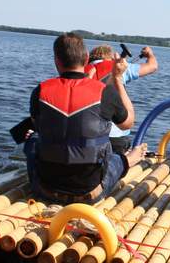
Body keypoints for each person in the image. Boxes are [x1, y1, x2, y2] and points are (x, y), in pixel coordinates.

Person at [23, 33, 146, 204]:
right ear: (86, 57)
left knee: (32, 140)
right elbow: (128, 123)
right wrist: (117, 78)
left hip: (46, 188)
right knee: (116, 158)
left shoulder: (40, 91)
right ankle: (130, 159)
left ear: (57, 61)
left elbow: (38, 125)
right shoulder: (104, 92)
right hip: (91, 191)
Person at [85, 44, 158, 154]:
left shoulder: (82, 71)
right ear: (110, 57)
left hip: (89, 138)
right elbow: (153, 66)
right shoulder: (118, 67)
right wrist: (150, 54)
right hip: (117, 140)